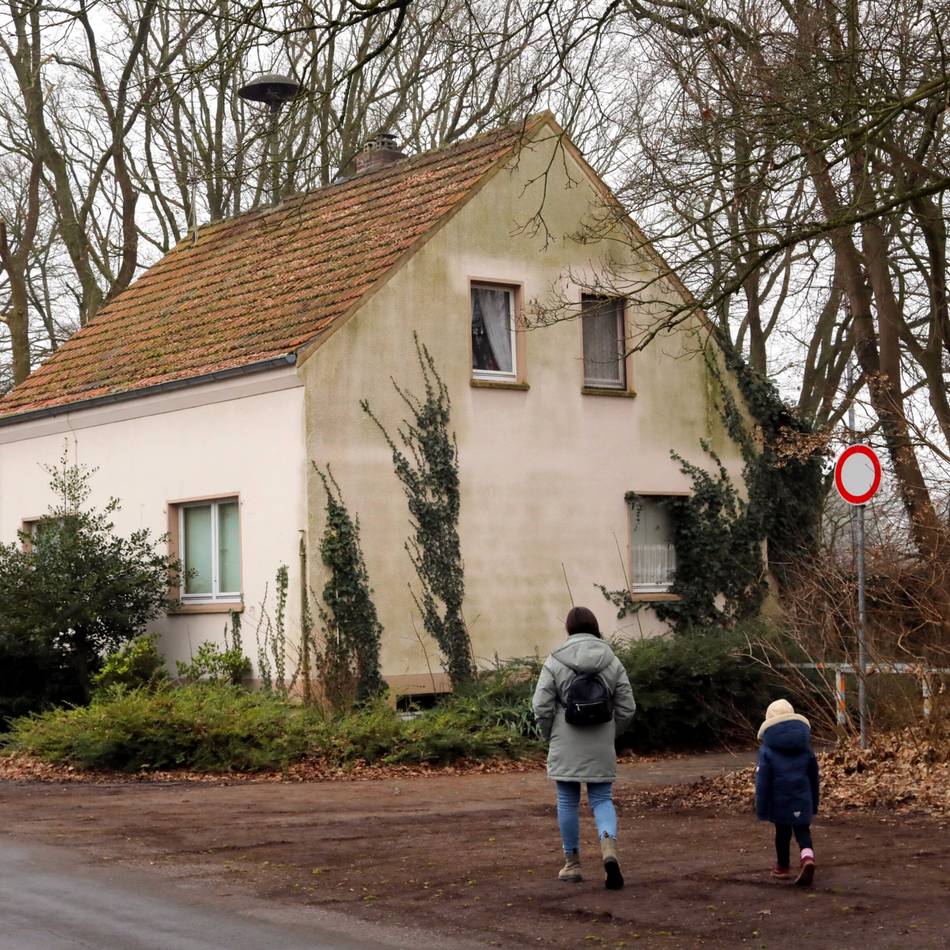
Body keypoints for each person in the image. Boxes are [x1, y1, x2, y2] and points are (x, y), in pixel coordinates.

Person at [532, 606, 636, 889]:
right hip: (601, 740)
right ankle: (609, 849)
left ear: (568, 629)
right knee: (602, 799)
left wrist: (548, 734)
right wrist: (611, 733)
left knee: (567, 801)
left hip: (565, 739)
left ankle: (572, 863)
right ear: (595, 627)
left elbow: (540, 706)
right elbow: (627, 707)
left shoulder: (555, 660)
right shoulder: (612, 661)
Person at [755, 698, 820, 886]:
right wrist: (814, 802)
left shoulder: (767, 749)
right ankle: (807, 857)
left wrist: (762, 807)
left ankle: (783, 867)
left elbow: (763, 781)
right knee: (802, 830)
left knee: (782, 832)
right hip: (803, 797)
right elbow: (814, 776)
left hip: (779, 799)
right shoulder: (806, 747)